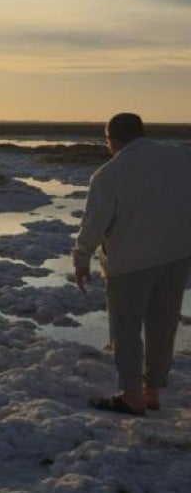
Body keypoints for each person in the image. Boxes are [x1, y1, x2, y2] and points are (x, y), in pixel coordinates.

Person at [74, 112, 191, 416]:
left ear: (111, 139)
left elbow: (94, 224)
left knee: (126, 329)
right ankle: (153, 391)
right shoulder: (180, 159)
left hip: (130, 263)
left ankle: (132, 396)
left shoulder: (108, 175)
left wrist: (81, 256)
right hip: (175, 256)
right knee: (162, 326)